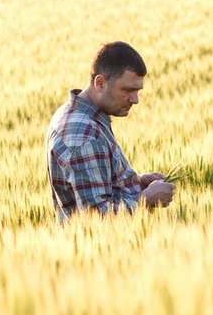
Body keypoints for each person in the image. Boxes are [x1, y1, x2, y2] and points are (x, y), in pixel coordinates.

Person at [47, 41, 175, 221]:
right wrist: (145, 199)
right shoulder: (84, 137)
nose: (135, 99)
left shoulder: (76, 113)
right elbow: (96, 217)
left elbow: (95, 185)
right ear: (100, 83)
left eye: (138, 90)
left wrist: (137, 183)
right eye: (128, 90)